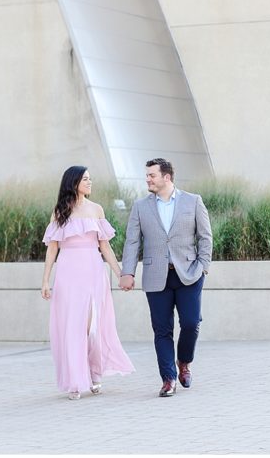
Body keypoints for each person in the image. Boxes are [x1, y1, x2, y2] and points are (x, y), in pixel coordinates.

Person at [119, 158, 212, 397]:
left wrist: (203, 266)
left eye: (152, 175)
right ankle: (168, 378)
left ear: (167, 177)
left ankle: (184, 362)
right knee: (162, 330)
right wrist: (127, 272)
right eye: (147, 175)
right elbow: (132, 241)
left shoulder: (193, 201)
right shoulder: (140, 206)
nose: (147, 179)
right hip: (155, 275)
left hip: (189, 274)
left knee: (191, 323)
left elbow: (205, 236)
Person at [41, 166, 134, 400]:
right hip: (68, 273)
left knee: (93, 327)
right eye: (85, 179)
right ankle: (74, 381)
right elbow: (52, 249)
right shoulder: (60, 212)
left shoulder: (97, 210)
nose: (90, 182)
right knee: (73, 327)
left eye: (91, 179)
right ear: (73, 182)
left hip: (93, 271)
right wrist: (45, 281)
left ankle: (95, 374)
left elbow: (105, 246)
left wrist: (121, 272)